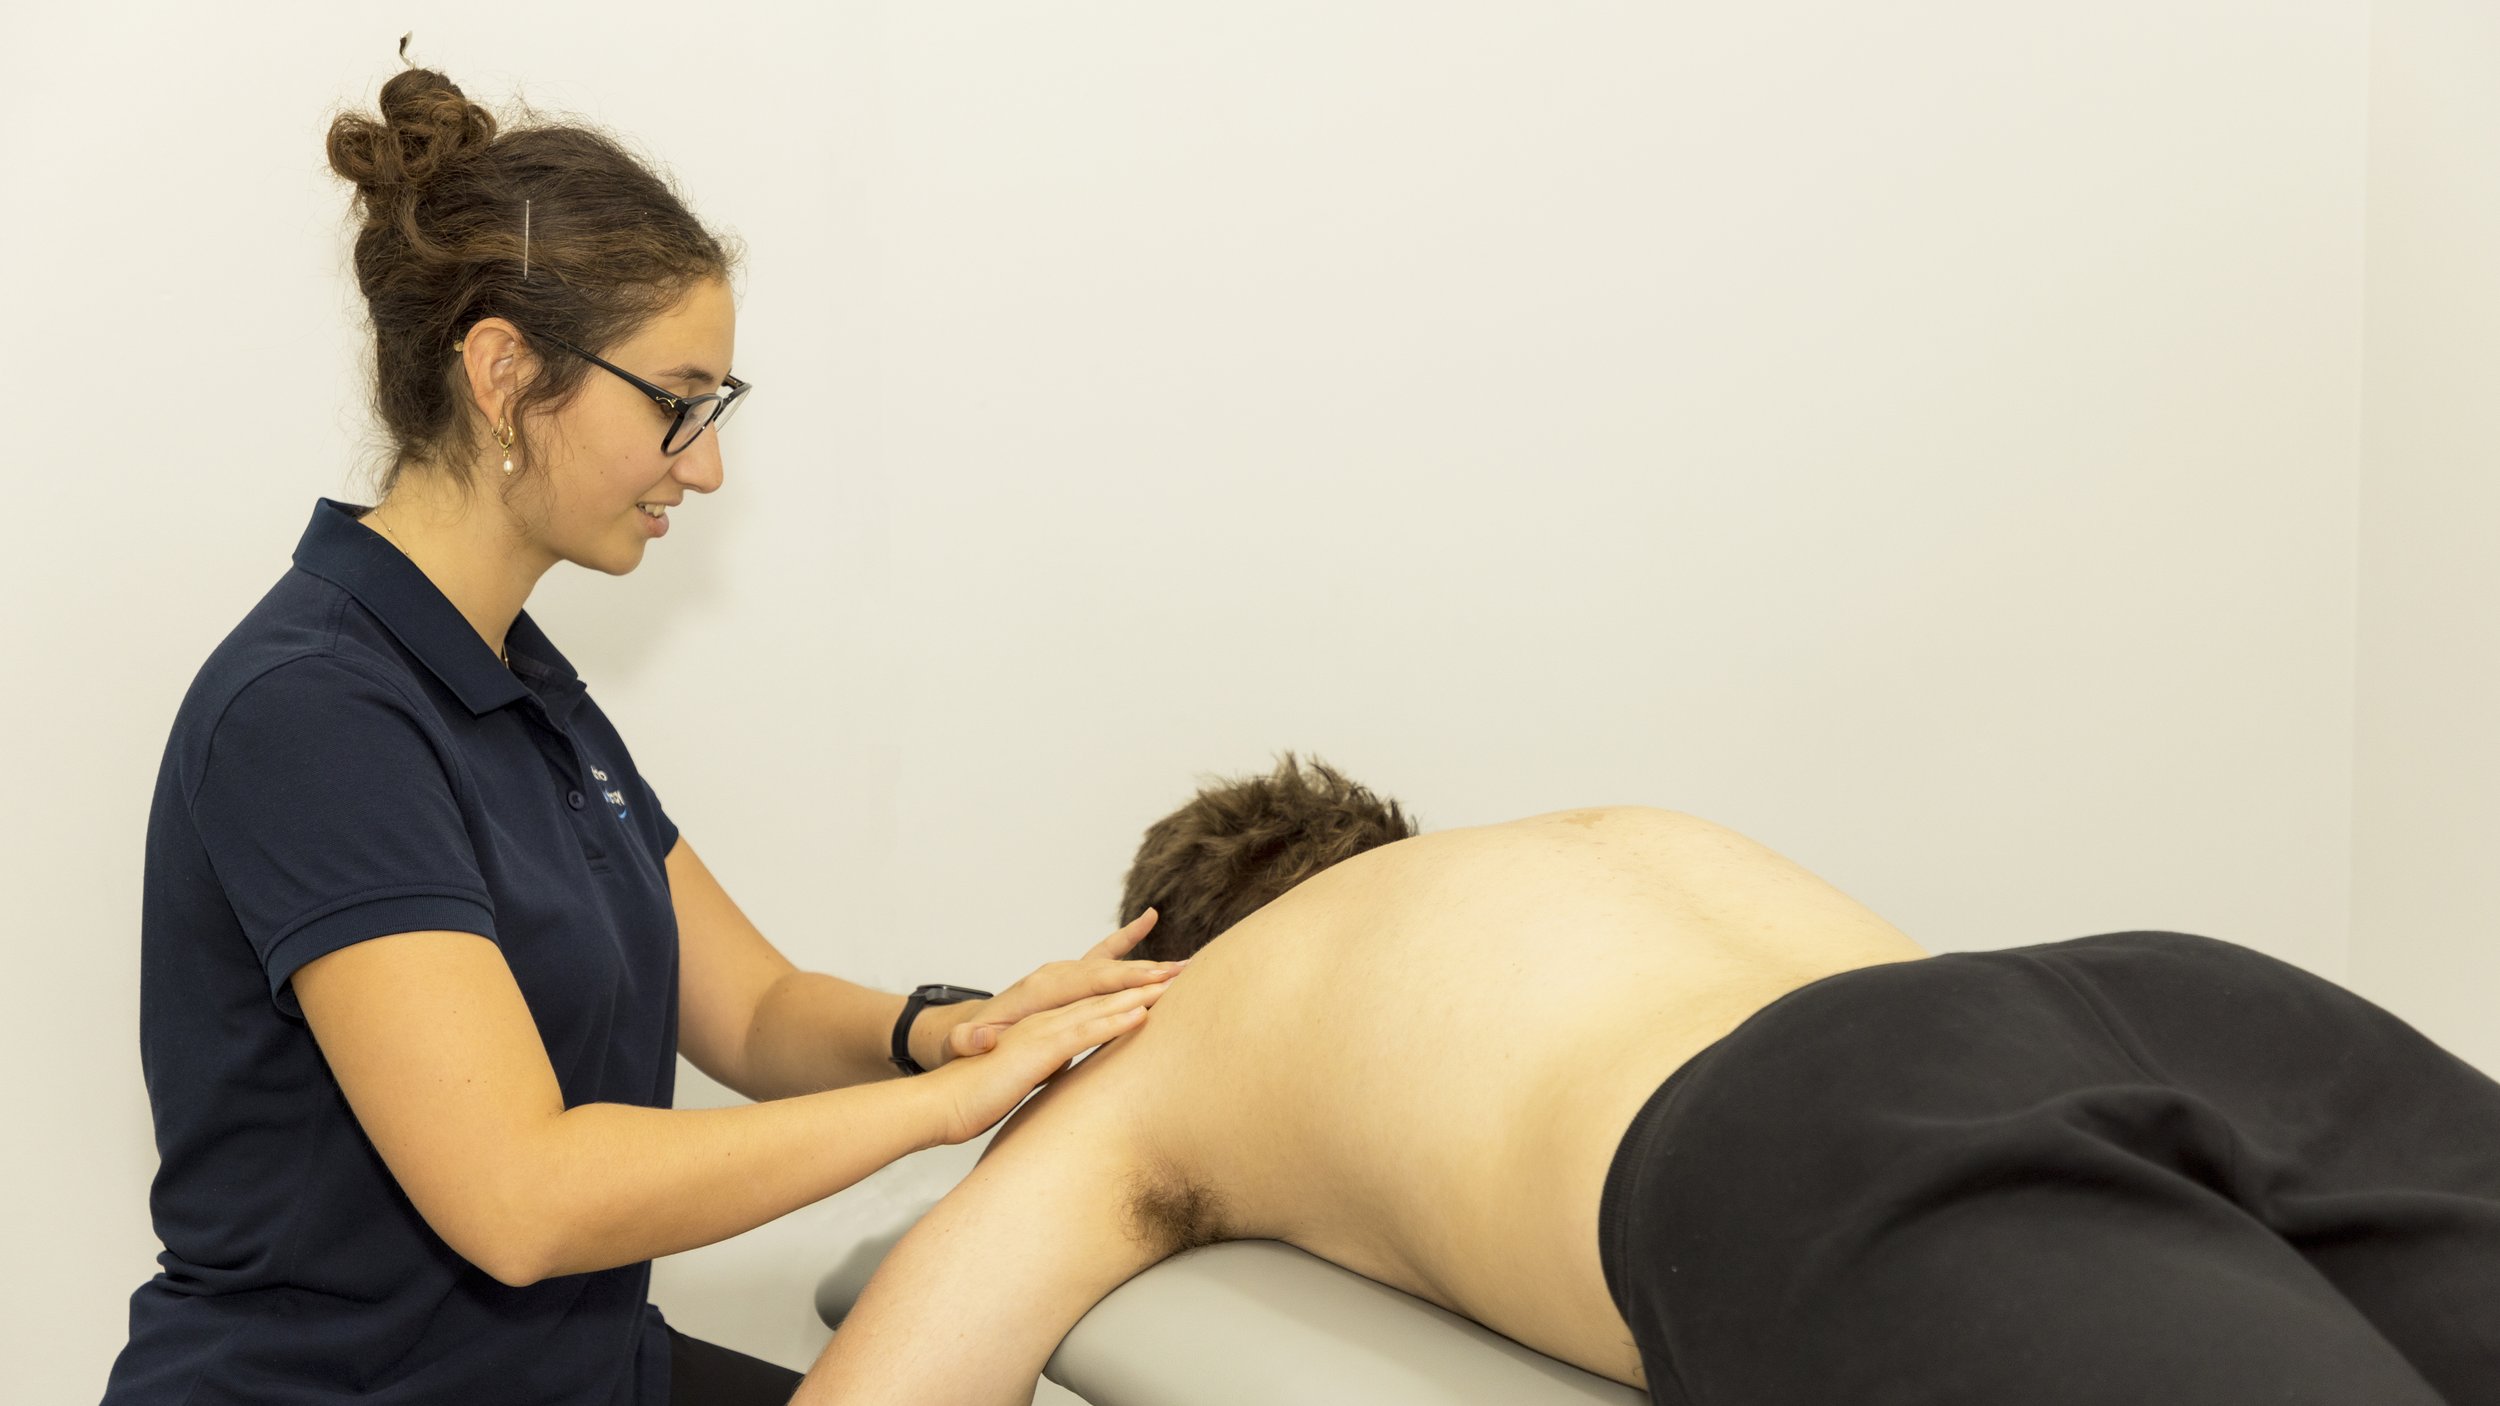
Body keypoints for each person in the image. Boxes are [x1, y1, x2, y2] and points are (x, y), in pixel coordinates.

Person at [102, 59, 1178, 1406]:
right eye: (677, 401)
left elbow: (758, 1009)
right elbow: (524, 1193)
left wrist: (953, 1030)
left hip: (573, 1372)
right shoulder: (311, 713)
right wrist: (943, 1109)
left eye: (716, 408)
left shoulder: (523, 688)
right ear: (504, 372)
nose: (706, 463)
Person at [796, 756, 2500, 1406]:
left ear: (1161, 947)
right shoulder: (1609, 838)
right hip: (2157, 994)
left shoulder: (1184, 1030)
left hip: (1804, 1128)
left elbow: (889, 1390)